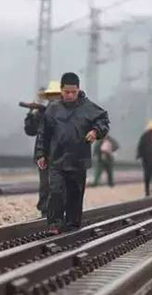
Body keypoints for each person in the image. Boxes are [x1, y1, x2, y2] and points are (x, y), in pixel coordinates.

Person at [35, 72, 110, 234]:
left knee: (75, 194)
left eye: (73, 92)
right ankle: (54, 224)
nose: (70, 95)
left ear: (78, 90)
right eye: (66, 92)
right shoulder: (53, 109)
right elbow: (43, 133)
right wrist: (41, 154)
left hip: (78, 159)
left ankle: (72, 226)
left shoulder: (88, 107)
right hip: (57, 158)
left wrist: (95, 131)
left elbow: (104, 120)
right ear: (61, 90)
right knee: (55, 191)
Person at [24, 81, 61, 217]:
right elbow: (30, 130)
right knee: (45, 184)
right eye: (52, 96)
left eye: (57, 95)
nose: (54, 99)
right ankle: (45, 211)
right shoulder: (42, 113)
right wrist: (31, 113)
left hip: (62, 153)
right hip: (44, 153)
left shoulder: (68, 113)